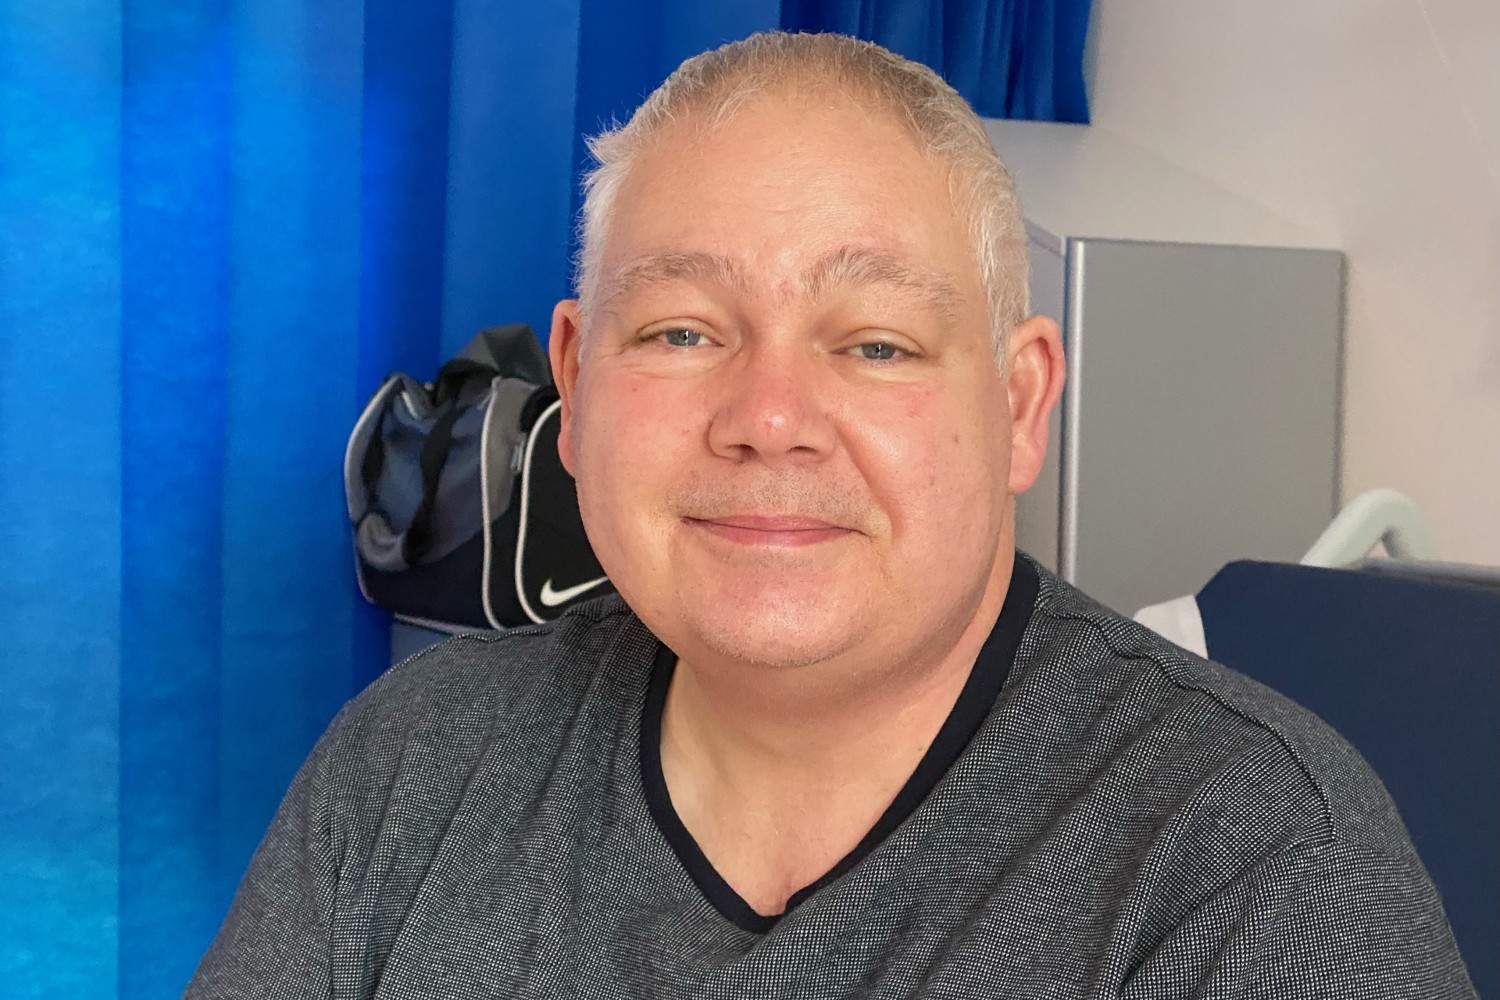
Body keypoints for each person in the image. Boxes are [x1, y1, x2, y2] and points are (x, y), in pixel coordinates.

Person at [185, 32, 1476, 999]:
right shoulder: (417, 759)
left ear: (1019, 405)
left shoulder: (1241, 862)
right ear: (573, 389)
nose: (770, 415)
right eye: (684, 330)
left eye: (874, 345)